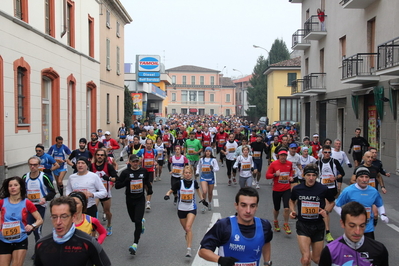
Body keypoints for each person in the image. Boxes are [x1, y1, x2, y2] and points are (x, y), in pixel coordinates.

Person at [198, 187, 273, 266]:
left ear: (256, 207)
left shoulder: (264, 226)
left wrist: (267, 262)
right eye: (243, 205)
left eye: (252, 206)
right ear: (236, 205)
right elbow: (203, 251)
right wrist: (220, 259)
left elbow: (266, 242)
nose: (248, 211)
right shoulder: (224, 225)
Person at [34, 196, 111, 266]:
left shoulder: (88, 242)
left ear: (73, 217)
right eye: (54, 217)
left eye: (64, 217)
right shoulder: (41, 244)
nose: (58, 222)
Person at [289, 164, 335, 266]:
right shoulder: (297, 189)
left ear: (317, 176)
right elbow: (291, 201)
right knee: (306, 259)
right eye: (308, 175)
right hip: (303, 225)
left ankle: (312, 254)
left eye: (313, 175)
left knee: (317, 258)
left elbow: (332, 202)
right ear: (303, 175)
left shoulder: (323, 189)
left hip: (318, 225)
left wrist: (326, 211)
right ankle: (306, 256)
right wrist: (292, 211)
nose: (311, 178)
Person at [319, 201, 389, 266]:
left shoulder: (379, 249)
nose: (357, 232)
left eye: (362, 226)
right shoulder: (330, 251)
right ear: (342, 223)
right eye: (352, 226)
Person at [164, 166, 208, 258]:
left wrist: (203, 200)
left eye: (189, 173)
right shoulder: (179, 183)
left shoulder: (194, 183)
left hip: (191, 208)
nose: (188, 175)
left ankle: (189, 249)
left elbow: (198, 192)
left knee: (188, 228)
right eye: (186, 173)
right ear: (183, 174)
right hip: (181, 209)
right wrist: (167, 195)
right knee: (186, 229)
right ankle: (188, 236)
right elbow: (171, 190)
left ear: (191, 174)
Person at [335, 167, 389, 240]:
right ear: (356, 178)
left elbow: (379, 204)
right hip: (353, 228)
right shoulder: (348, 191)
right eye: (361, 177)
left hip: (368, 228)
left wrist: (383, 214)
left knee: (369, 250)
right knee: (353, 250)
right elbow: (336, 205)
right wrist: (345, 216)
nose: (364, 180)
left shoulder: (373, 191)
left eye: (366, 177)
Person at [0, 176, 43, 266]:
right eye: (10, 185)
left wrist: (32, 226)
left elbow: (39, 220)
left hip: (20, 239)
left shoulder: (27, 203)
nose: (13, 187)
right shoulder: (2, 202)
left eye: (15, 185)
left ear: (21, 187)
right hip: (4, 240)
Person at [115, 154, 152, 255]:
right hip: (130, 199)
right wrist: (125, 182)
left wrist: (150, 190)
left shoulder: (143, 171)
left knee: (137, 221)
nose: (135, 163)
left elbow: (147, 182)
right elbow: (117, 186)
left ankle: (135, 244)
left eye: (137, 161)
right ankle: (141, 222)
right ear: (130, 162)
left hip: (140, 199)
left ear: (139, 162)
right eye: (133, 162)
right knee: (133, 219)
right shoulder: (125, 173)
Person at [22, 156, 56, 250]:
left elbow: (52, 192)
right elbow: (21, 191)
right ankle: (21, 248)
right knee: (26, 229)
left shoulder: (44, 177)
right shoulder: (25, 177)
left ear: (39, 165)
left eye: (35, 165)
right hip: (28, 207)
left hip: (40, 207)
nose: (33, 167)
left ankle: (39, 251)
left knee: (37, 231)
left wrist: (45, 198)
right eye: (31, 165)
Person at [316, 144, 345, 243]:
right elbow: (314, 174)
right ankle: (327, 232)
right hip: (322, 188)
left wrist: (336, 178)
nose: (327, 154)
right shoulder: (318, 162)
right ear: (322, 152)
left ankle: (322, 221)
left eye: (329, 152)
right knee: (325, 210)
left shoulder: (334, 161)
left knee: (329, 210)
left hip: (332, 188)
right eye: (325, 152)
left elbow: (342, 173)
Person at [90, 148, 118, 236]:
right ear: (95, 156)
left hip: (106, 192)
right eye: (98, 155)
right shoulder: (91, 166)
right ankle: (94, 229)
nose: (99, 157)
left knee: (107, 211)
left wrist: (108, 178)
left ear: (105, 157)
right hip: (95, 192)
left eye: (102, 155)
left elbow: (116, 178)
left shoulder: (108, 166)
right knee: (93, 210)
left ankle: (109, 224)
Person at [266, 149, 294, 234]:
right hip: (277, 189)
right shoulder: (274, 164)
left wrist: (291, 177)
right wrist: (275, 174)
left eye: (284, 155)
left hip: (286, 189)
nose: (283, 157)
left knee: (286, 208)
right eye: (281, 155)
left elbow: (291, 172)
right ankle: (275, 221)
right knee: (276, 208)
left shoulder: (289, 164)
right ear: (278, 156)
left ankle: (286, 223)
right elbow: (267, 176)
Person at [136, 139, 159, 210]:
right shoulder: (142, 151)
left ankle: (148, 202)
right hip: (143, 171)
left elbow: (156, 157)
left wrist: (156, 162)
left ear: (152, 144)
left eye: (150, 144)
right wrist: (139, 161)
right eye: (147, 144)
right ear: (145, 144)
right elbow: (135, 157)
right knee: (144, 186)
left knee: (149, 186)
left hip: (151, 171)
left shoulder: (154, 151)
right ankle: (143, 199)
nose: (149, 145)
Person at [196, 147, 219, 213]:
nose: (208, 152)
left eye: (209, 151)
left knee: (210, 192)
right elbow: (198, 166)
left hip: (211, 178)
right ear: (204, 152)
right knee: (204, 191)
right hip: (203, 178)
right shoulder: (201, 159)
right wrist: (197, 172)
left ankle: (209, 203)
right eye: (207, 151)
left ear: (211, 152)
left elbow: (217, 168)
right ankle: (204, 206)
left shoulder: (213, 160)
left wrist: (212, 169)